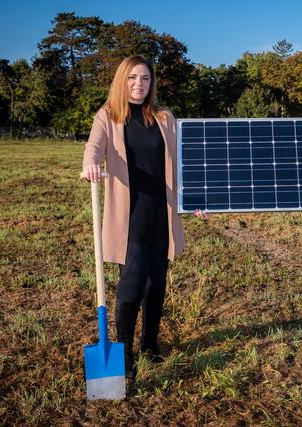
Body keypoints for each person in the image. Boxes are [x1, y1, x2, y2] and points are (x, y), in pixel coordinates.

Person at [82, 55, 204, 378]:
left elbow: (183, 161)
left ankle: (150, 343)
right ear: (122, 80)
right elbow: (93, 148)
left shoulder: (164, 118)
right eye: (133, 78)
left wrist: (196, 196)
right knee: (132, 285)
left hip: (161, 215)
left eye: (146, 79)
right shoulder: (107, 116)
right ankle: (124, 351)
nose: (139, 84)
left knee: (157, 284)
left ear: (152, 84)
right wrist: (91, 164)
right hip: (130, 217)